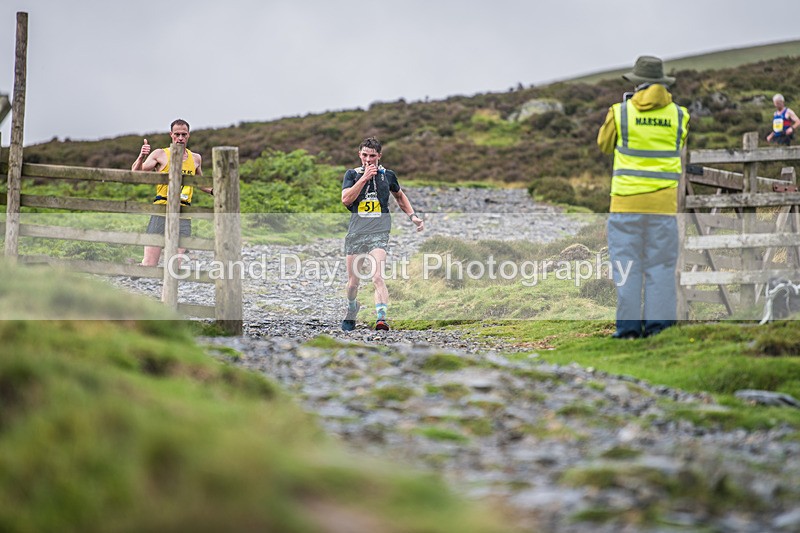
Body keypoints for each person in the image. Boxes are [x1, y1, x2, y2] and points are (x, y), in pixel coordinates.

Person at [597, 56, 690, 339]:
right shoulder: (680, 115)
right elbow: (679, 144)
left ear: (636, 83)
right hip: (663, 205)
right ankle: (659, 329)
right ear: (663, 83)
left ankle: (627, 330)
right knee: (660, 267)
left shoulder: (621, 112)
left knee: (627, 266)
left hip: (626, 204)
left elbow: (604, 145)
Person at [340, 137, 424, 331]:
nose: (368, 160)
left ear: (379, 156)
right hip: (356, 233)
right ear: (359, 154)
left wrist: (413, 217)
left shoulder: (388, 175)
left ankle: (381, 318)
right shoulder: (352, 174)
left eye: (372, 156)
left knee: (377, 276)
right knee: (353, 283)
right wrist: (364, 178)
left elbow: (400, 196)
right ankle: (352, 308)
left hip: (379, 232)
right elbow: (346, 200)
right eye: (364, 155)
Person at [131, 119, 211, 266]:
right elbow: (136, 173)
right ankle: (135, 271)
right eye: (177, 134)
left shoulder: (195, 158)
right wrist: (141, 156)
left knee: (175, 263)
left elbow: (199, 182)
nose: (180, 138)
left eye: (184, 134)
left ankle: (167, 288)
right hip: (162, 209)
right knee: (149, 264)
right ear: (171, 135)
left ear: (188, 136)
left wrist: (214, 191)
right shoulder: (160, 154)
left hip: (184, 212)